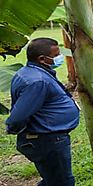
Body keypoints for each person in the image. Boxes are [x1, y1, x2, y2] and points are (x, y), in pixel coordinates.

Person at [5, 38, 80, 186]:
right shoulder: (38, 81)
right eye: (56, 55)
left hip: (46, 138)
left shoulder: (28, 72)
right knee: (62, 182)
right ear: (42, 59)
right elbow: (16, 118)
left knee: (52, 180)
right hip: (47, 140)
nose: (60, 58)